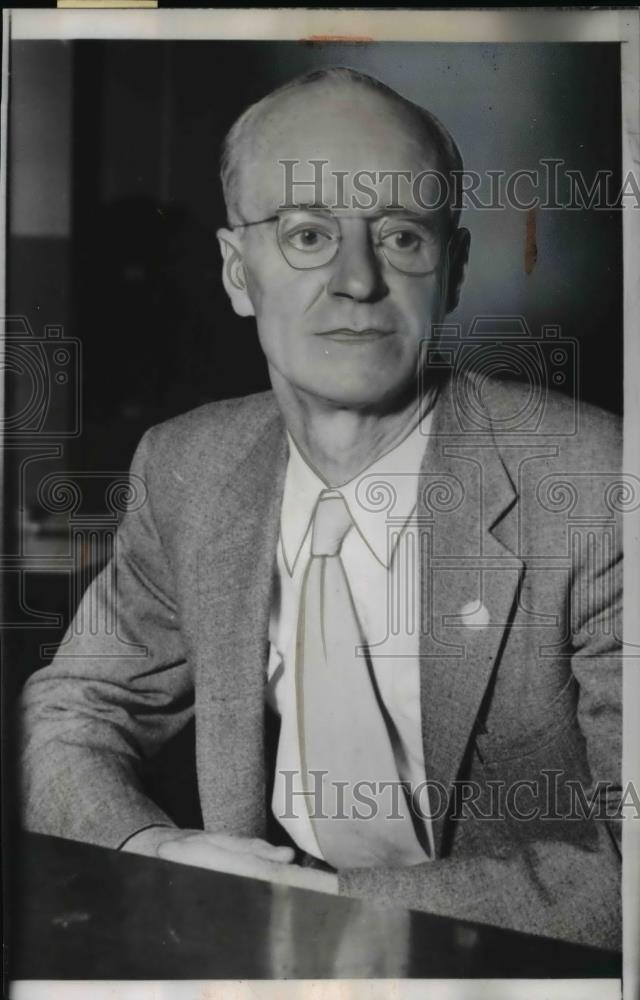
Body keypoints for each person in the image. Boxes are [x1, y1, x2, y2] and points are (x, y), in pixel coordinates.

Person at [19, 67, 622, 950]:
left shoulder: (601, 487)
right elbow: (71, 710)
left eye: (402, 237)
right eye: (307, 235)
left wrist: (325, 899)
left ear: (451, 272)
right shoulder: (189, 465)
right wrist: (154, 849)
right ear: (236, 270)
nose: (356, 280)